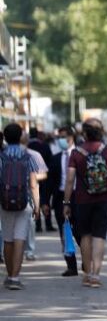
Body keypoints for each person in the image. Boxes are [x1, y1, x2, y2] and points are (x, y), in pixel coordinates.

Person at [64, 118, 107, 289]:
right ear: (102, 132)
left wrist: (66, 202)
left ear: (84, 133)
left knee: (85, 236)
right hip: (104, 200)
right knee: (99, 236)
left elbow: (69, 179)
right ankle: (96, 276)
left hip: (83, 200)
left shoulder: (76, 153)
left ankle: (87, 273)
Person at [1, 124, 40, 290]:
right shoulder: (27, 156)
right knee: (20, 239)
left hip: (4, 202)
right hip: (24, 203)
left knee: (7, 239)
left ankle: (9, 275)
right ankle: (16, 278)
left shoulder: (1, 156)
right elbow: (33, 183)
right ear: (20, 137)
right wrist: (37, 204)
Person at [49, 126, 79, 276]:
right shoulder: (55, 158)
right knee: (64, 231)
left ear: (72, 137)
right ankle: (71, 266)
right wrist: (44, 202)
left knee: (80, 232)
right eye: (59, 137)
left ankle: (87, 260)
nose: (61, 139)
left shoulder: (81, 155)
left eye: (64, 136)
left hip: (79, 197)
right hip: (61, 197)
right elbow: (50, 182)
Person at [21, 132, 47, 262]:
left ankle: (5, 252)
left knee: (5, 227)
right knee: (30, 224)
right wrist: (37, 206)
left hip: (5, 196)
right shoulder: (34, 155)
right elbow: (42, 175)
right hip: (27, 196)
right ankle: (29, 251)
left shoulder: (3, 154)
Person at [28, 128, 55, 233]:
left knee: (35, 201)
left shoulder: (27, 147)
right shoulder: (44, 145)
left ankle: (38, 225)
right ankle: (48, 224)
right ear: (38, 135)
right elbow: (51, 161)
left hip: (31, 176)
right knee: (46, 199)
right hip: (44, 176)